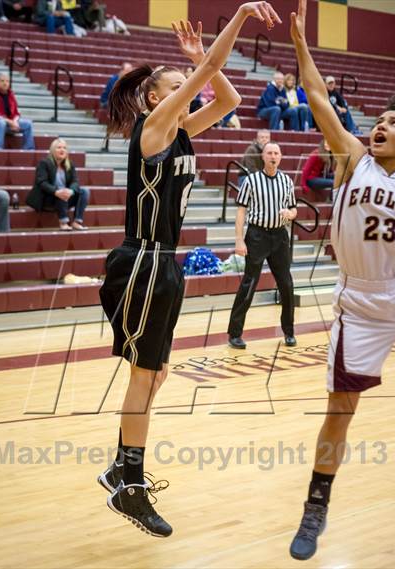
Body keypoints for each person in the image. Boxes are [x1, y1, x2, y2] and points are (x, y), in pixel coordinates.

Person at [97, 3, 282, 538]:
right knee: (144, 376)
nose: (190, 90)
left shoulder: (181, 131)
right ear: (158, 98)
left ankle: (120, 468)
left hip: (165, 263)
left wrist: (201, 60)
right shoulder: (154, 127)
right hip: (142, 261)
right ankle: (130, 487)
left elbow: (229, 99)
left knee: (156, 374)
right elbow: (211, 75)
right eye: (179, 86)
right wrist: (239, 16)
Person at [289, 0, 395, 561]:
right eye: (381, 120)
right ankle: (316, 507)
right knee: (340, 409)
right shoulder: (354, 157)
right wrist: (301, 45)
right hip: (359, 303)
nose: (382, 126)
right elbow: (317, 98)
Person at [227, 142, 297, 349]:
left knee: (286, 284)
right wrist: (239, 239)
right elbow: (241, 211)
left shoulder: (287, 181)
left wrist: (290, 214)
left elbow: (294, 209)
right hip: (257, 235)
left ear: (280, 157)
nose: (273, 156)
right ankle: (235, 333)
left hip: (280, 236)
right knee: (249, 283)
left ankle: (289, 332)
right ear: (263, 157)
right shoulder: (251, 180)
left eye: (276, 153)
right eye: (269, 153)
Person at [26, 138, 90, 230]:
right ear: (53, 150)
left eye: (64, 148)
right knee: (61, 191)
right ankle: (63, 222)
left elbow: (75, 181)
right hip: (47, 198)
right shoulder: (44, 163)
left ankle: (76, 222)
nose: (62, 150)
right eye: (59, 147)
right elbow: (41, 182)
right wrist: (56, 191)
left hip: (64, 199)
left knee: (85, 191)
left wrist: (71, 191)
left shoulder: (70, 164)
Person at [0, 73, 35, 150]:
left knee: (28, 124)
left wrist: (15, 122)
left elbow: (16, 113)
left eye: (7, 81)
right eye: (2, 81)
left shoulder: (11, 94)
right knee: (0, 123)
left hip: (8, 123)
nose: (5, 83)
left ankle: (29, 150)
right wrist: (10, 122)